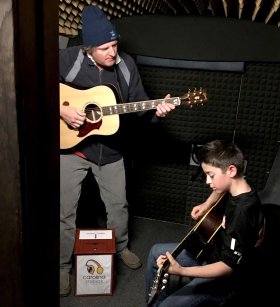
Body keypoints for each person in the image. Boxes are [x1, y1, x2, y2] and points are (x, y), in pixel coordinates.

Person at [59, 5, 175, 297]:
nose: (113, 52)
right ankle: (61, 267)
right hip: (72, 149)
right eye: (105, 47)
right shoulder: (67, 59)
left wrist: (156, 112)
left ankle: (120, 247)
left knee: (118, 206)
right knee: (64, 212)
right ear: (88, 48)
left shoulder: (126, 66)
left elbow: (139, 106)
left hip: (111, 151)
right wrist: (62, 110)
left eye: (115, 45)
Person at [145, 139, 265, 306]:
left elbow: (227, 266)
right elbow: (221, 189)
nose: (208, 182)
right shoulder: (239, 183)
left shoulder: (242, 212)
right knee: (155, 252)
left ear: (231, 170)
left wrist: (181, 271)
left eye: (211, 175)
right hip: (209, 253)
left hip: (222, 279)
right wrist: (206, 205)